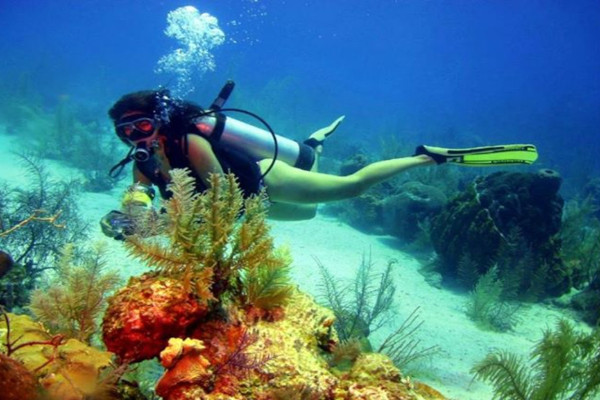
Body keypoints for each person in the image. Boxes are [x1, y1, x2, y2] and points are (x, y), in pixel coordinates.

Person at [100, 86, 538, 239]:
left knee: (350, 188)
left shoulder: (190, 144)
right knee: (309, 215)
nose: (134, 137)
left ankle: (427, 157)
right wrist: (132, 216)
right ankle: (312, 141)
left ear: (157, 120)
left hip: (262, 183)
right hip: (247, 208)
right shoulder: (144, 158)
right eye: (125, 132)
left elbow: (219, 194)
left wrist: (163, 222)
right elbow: (138, 192)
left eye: (139, 126)